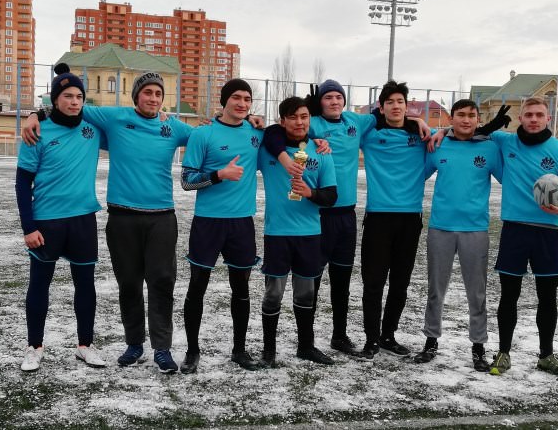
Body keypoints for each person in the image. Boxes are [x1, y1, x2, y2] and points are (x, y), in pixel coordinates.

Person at [23, 71, 195, 374]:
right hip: (120, 216)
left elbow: (207, 136)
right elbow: (67, 106)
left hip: (160, 217)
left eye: (158, 93)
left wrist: (250, 122)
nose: (153, 98)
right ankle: (133, 344)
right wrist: (34, 114)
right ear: (136, 96)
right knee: (128, 283)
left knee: (161, 282)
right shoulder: (114, 118)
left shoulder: (172, 126)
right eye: (147, 92)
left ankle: (161, 349)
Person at [263, 79, 430, 357]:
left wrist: (417, 120)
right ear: (320, 103)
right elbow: (273, 133)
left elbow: (390, 113)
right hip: (318, 215)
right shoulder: (312, 122)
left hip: (346, 216)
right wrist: (294, 145)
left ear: (344, 100)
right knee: (312, 281)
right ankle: (308, 340)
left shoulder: (357, 121)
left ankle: (339, 335)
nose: (334, 101)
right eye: (328, 97)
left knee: (341, 281)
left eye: (338, 97)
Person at [16, 64, 106, 371]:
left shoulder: (92, 129)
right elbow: (22, 183)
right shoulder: (37, 132)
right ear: (55, 100)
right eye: (67, 96)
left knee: (86, 284)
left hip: (83, 219)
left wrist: (161, 115)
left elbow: (128, 122)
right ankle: (34, 347)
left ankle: (85, 345)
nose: (74, 101)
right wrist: (28, 227)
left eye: (79, 96)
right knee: (39, 284)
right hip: (47, 221)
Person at [486, 97, 558, 378]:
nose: (533, 119)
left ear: (548, 118)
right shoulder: (506, 142)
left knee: (547, 297)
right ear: (521, 118)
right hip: (515, 229)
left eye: (539, 115)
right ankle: (503, 353)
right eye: (528, 114)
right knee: (509, 294)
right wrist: (490, 125)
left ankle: (546, 356)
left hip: (549, 232)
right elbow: (468, 131)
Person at [179, 79, 263, 373]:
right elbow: (187, 181)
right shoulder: (203, 134)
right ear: (224, 101)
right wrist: (219, 175)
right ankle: (192, 351)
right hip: (208, 222)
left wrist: (319, 141)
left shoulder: (256, 134)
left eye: (247, 99)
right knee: (197, 287)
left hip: (242, 223)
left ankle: (239, 350)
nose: (242, 103)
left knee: (241, 289)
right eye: (236, 97)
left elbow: (293, 134)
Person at [412, 99, 502, 371]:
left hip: (475, 230)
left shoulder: (490, 148)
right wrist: (436, 131)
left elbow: (510, 178)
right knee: (435, 289)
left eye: (471, 115)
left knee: (477, 292)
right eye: (460, 115)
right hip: (441, 227)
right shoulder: (438, 145)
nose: (466, 119)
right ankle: (431, 341)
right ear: (451, 118)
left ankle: (478, 346)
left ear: (478, 119)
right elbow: (416, 175)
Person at [258, 96, 338, 367]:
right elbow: (269, 134)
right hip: (277, 233)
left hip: (309, 234)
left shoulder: (321, 151)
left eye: (304, 116)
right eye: (292, 117)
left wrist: (310, 192)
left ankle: (306, 346)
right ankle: (269, 350)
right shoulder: (269, 150)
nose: (299, 122)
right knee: (273, 294)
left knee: (306, 294)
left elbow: (331, 196)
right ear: (283, 121)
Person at [358, 80, 432, 361]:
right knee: (373, 283)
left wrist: (419, 122)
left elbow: (453, 135)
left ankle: (388, 335)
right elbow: (342, 123)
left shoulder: (421, 135)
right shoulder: (370, 134)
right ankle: (371, 339)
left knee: (400, 284)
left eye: (400, 101)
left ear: (407, 105)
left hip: (410, 219)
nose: (396, 106)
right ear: (382, 107)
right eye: (390, 102)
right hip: (378, 218)